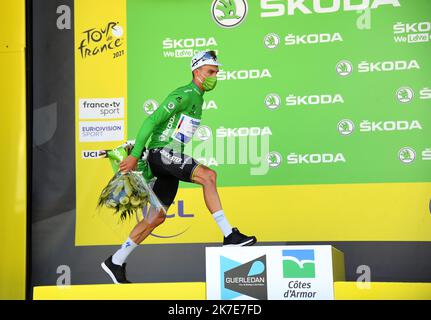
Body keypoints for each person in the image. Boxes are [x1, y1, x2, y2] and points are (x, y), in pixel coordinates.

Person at [101, 50, 257, 284]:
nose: (215, 76)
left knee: (157, 217)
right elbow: (151, 121)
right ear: (197, 72)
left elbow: (165, 128)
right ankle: (229, 234)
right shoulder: (185, 94)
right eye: (211, 71)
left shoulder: (198, 98)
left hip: (169, 156)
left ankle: (115, 261)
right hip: (162, 154)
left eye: (217, 72)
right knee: (208, 176)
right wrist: (134, 155)